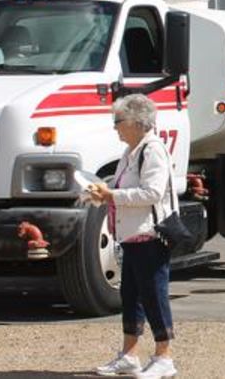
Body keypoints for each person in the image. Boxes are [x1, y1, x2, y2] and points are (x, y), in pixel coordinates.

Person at [88, 94, 178, 378]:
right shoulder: (131, 151)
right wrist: (101, 193)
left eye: (118, 121)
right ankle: (129, 355)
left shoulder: (152, 150)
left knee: (154, 295)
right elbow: (121, 187)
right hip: (131, 236)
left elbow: (152, 192)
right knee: (131, 296)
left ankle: (164, 358)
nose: (115, 127)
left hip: (150, 235)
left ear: (137, 121)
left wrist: (112, 194)